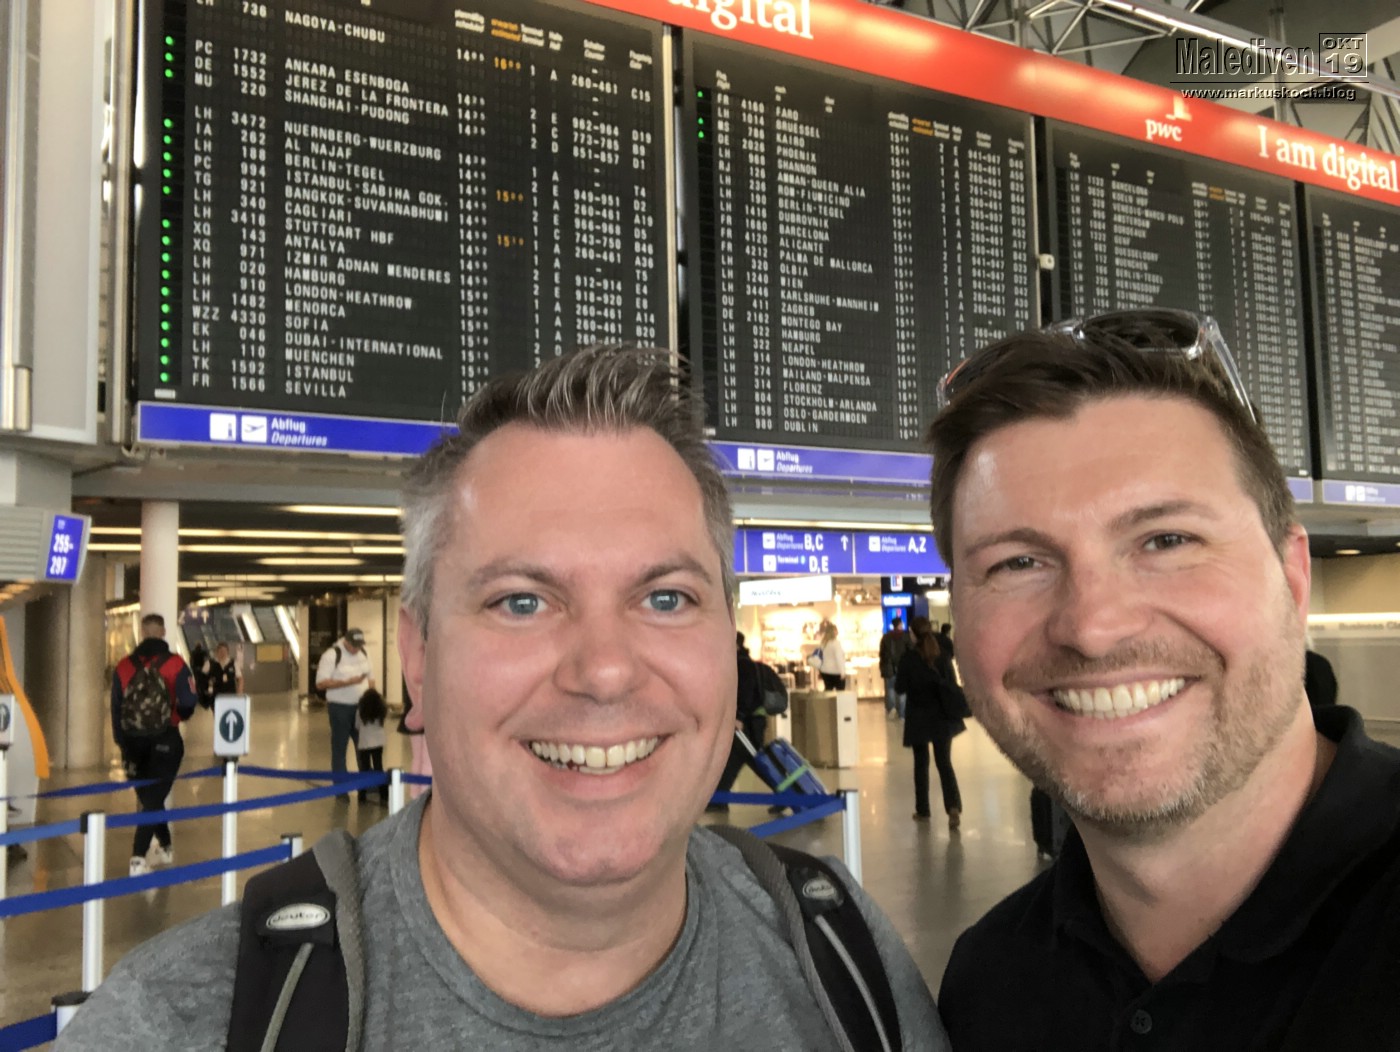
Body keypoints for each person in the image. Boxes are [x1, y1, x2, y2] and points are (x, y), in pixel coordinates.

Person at [58, 346, 948, 1051]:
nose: (605, 670)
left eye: (666, 598)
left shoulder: (843, 959)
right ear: (418, 656)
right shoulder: (188, 1022)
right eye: (522, 602)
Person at [927, 311, 1400, 1049]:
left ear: (1293, 576)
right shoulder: (989, 984)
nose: (1093, 626)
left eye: (1167, 540)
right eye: (1017, 563)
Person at [110, 613, 198, 876]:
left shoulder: (123, 667)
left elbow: (116, 708)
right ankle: (138, 858)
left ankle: (166, 847)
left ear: (142, 632)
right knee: (153, 799)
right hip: (166, 739)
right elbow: (189, 701)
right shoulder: (175, 664)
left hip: (132, 743)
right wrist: (177, 715)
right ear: (163, 632)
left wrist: (123, 742)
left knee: (150, 797)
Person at [896, 617, 963, 829]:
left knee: (921, 764)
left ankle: (923, 810)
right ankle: (953, 808)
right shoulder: (941, 654)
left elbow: (900, 688)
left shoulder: (909, 659)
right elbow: (952, 683)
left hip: (919, 718)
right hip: (942, 717)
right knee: (944, 763)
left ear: (913, 634)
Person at [709, 631, 768, 812]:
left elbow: (745, 693)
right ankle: (719, 799)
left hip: (749, 722)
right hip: (750, 720)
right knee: (742, 759)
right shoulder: (739, 662)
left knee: (749, 759)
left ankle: (787, 793)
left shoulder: (743, 664)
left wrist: (739, 717)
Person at [315, 627, 373, 785]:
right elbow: (320, 684)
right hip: (340, 708)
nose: (356, 649)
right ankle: (340, 785)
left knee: (364, 747)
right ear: (346, 641)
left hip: (361, 708)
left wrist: (372, 700)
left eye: (359, 645)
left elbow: (370, 678)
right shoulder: (331, 655)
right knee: (340, 748)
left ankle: (367, 783)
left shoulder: (364, 653)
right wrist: (348, 682)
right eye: (353, 645)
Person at [355, 686, 389, 805]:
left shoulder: (361, 711)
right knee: (379, 767)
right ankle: (384, 795)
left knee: (364, 769)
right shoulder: (381, 711)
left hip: (364, 743)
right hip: (378, 742)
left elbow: (357, 725)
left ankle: (362, 795)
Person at [879, 616, 910, 720]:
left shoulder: (886, 637)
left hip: (889, 667)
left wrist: (882, 666)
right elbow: (910, 651)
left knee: (890, 689)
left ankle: (892, 710)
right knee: (902, 691)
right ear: (900, 625)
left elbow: (882, 653)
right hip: (902, 667)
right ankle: (902, 713)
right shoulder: (905, 636)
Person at [812, 620, 846, 690]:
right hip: (835, 672)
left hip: (825, 671)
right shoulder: (836, 643)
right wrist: (842, 672)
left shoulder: (823, 643)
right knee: (840, 692)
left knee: (828, 690)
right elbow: (839, 658)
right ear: (834, 632)